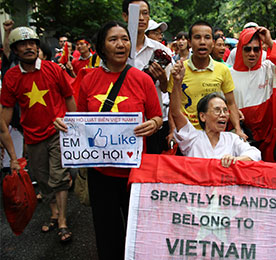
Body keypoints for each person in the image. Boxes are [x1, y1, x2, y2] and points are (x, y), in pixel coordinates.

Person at [54, 21, 162, 260]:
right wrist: (64, 124)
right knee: (106, 231)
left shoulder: (142, 80)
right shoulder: (89, 79)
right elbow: (79, 120)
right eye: (113, 39)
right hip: (101, 172)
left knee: (137, 230)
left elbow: (157, 116)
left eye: (124, 38)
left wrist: (153, 124)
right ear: (101, 47)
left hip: (135, 171)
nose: (121, 44)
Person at [1, 26, 76, 242]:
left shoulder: (54, 69)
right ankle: (53, 212)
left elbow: (69, 97)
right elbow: (4, 116)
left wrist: (76, 125)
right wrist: (12, 155)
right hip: (31, 137)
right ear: (15, 50)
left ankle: (62, 221)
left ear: (37, 46)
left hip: (57, 133)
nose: (28, 47)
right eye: (23, 44)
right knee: (42, 179)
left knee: (59, 177)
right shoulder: (11, 77)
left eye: (32, 43)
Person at [167, 20, 246, 140]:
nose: (202, 42)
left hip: (214, 135)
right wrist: (173, 130)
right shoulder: (179, 71)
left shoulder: (223, 70)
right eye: (197, 37)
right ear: (190, 42)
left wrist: (238, 130)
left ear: (213, 42)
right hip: (186, 135)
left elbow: (231, 103)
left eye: (207, 37)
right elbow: (173, 106)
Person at [170, 60, 261, 165]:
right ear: (203, 116)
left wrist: (236, 160)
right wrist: (177, 82)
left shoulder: (232, 139)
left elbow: (255, 153)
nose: (223, 115)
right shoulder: (192, 138)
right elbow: (176, 113)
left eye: (225, 111)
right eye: (217, 110)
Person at [230, 26, 276, 160]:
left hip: (267, 137)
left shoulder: (268, 68)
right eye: (247, 49)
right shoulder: (228, 75)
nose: (252, 53)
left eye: (256, 49)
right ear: (240, 50)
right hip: (240, 136)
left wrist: (270, 42)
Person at [122, 0, 174, 154]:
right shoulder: (115, 49)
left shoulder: (160, 51)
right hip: (121, 122)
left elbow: (167, 89)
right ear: (125, 16)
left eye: (145, 13)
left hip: (153, 123)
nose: (141, 18)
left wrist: (162, 79)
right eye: (136, 13)